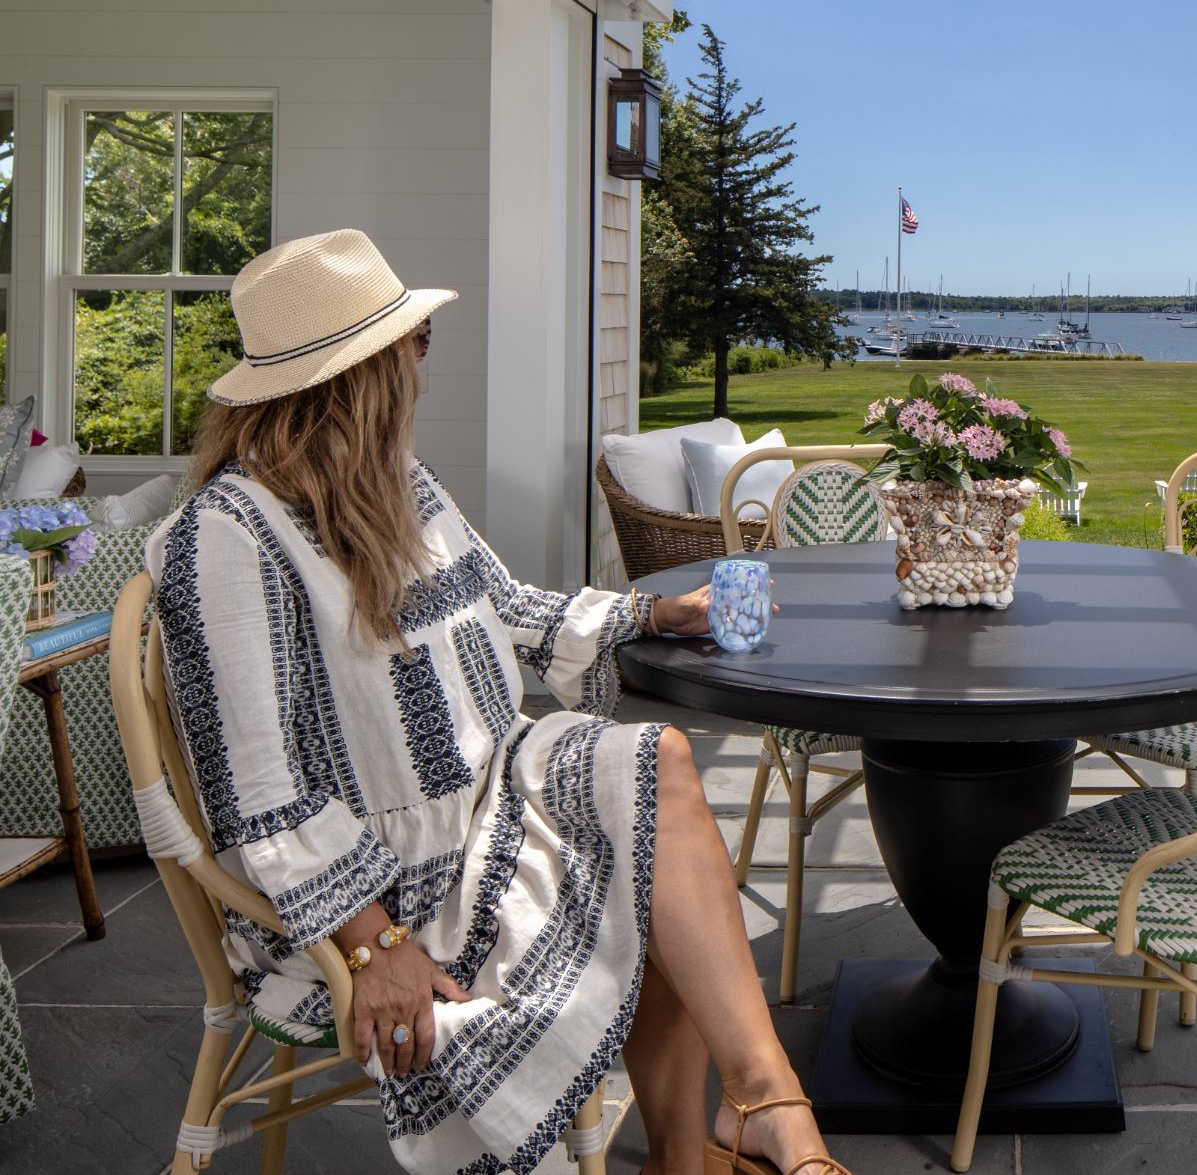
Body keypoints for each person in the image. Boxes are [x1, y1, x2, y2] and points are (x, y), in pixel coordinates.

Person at [146, 229, 845, 1175]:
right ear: (359, 375)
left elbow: (503, 609)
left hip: (489, 807)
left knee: (650, 772)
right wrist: (374, 940)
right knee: (641, 847)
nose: (425, 358)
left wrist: (653, 612)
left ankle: (759, 1109)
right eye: (414, 342)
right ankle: (716, 1143)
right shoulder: (225, 537)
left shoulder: (396, 486)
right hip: (383, 887)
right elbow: (258, 791)